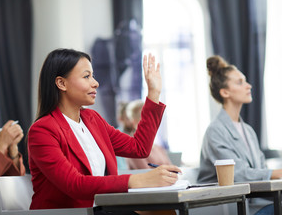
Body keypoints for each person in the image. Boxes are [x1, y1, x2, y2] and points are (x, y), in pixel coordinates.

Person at [28, 48, 180, 214]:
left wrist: (154, 93)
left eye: (92, 76)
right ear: (61, 83)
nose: (95, 83)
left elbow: (139, 147)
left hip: (103, 209)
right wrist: (136, 180)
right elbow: (74, 184)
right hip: (71, 212)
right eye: (86, 76)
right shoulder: (42, 130)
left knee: (165, 210)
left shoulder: (93, 120)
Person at [197, 56, 282, 214]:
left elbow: (260, 169)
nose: (248, 86)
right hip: (231, 206)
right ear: (225, 92)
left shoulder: (248, 131)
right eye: (240, 82)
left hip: (255, 202)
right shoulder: (215, 131)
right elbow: (236, 174)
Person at [125, 99, 172, 169]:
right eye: (147, 119)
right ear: (134, 122)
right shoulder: (133, 148)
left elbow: (171, 168)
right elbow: (147, 173)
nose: (152, 123)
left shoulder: (157, 147)